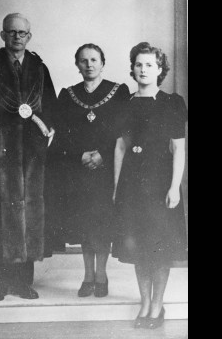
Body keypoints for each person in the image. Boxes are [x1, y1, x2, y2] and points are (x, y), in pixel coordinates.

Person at [0, 13, 57, 302]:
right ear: (3, 35)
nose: (17, 37)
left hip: (31, 153)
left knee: (28, 213)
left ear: (29, 36)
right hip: (0, 150)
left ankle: (22, 282)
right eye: (11, 32)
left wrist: (47, 134)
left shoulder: (38, 66)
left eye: (22, 33)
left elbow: (50, 107)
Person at [112, 42, 188, 329]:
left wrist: (173, 187)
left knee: (159, 247)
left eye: (149, 65)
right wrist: (116, 187)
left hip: (159, 182)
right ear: (133, 68)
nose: (143, 70)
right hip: (132, 183)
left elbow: (178, 148)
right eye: (139, 64)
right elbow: (121, 146)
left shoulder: (172, 102)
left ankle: (158, 306)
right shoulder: (126, 103)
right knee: (139, 247)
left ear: (160, 70)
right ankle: (145, 303)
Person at [48, 43, 130, 298]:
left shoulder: (118, 92)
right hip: (79, 170)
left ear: (103, 63)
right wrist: (79, 155)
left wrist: (103, 155)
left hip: (107, 171)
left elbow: (122, 131)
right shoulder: (68, 94)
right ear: (77, 65)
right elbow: (61, 136)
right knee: (84, 223)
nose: (89, 64)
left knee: (102, 223)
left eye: (94, 59)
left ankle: (101, 275)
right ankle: (87, 276)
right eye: (83, 60)